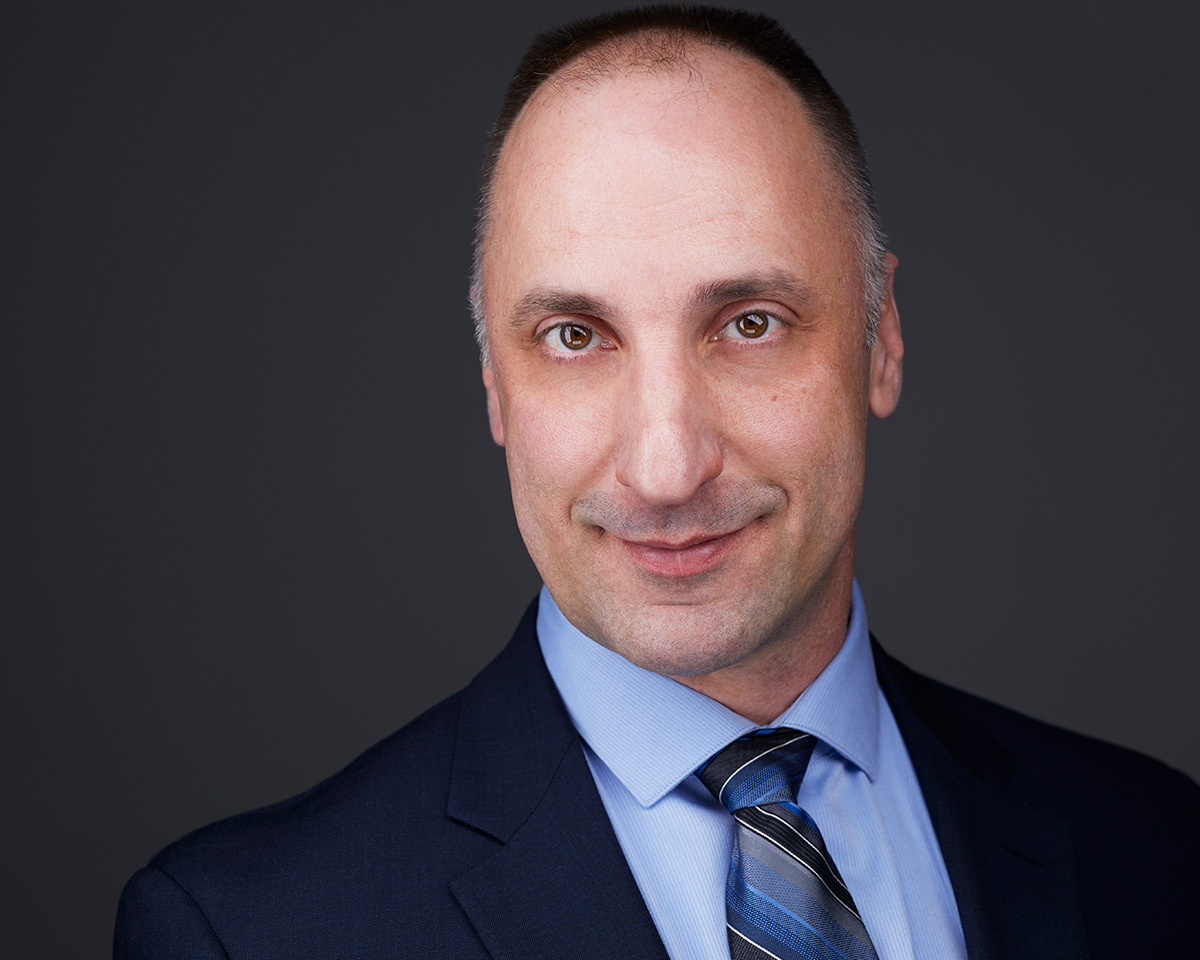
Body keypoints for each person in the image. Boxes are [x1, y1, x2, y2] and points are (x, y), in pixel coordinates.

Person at [114, 7, 1199, 958]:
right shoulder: (247, 932)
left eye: (750, 324)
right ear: (495, 383)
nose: (667, 467)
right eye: (576, 336)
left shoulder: (1156, 853)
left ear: (882, 340)